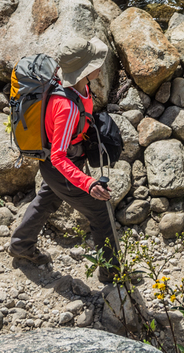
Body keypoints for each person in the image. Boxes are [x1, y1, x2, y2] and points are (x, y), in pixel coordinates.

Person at [8, 37, 121, 283]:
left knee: (47, 198)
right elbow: (59, 156)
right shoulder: (66, 106)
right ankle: (112, 275)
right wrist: (88, 183)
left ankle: (20, 245)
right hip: (61, 167)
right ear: (86, 70)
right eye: (95, 62)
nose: (100, 64)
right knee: (101, 210)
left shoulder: (75, 86)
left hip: (60, 164)